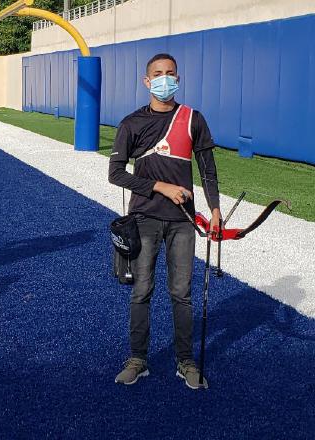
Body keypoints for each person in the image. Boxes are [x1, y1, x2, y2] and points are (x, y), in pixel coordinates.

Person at [108, 53, 221, 389]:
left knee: (181, 293)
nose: (164, 79)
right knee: (142, 290)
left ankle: (185, 361)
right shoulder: (131, 123)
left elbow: (208, 169)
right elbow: (115, 174)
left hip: (183, 221)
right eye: (157, 74)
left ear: (178, 79)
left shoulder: (193, 119)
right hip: (143, 218)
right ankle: (138, 359)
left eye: (170, 73)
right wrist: (159, 186)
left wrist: (214, 209)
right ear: (146, 81)